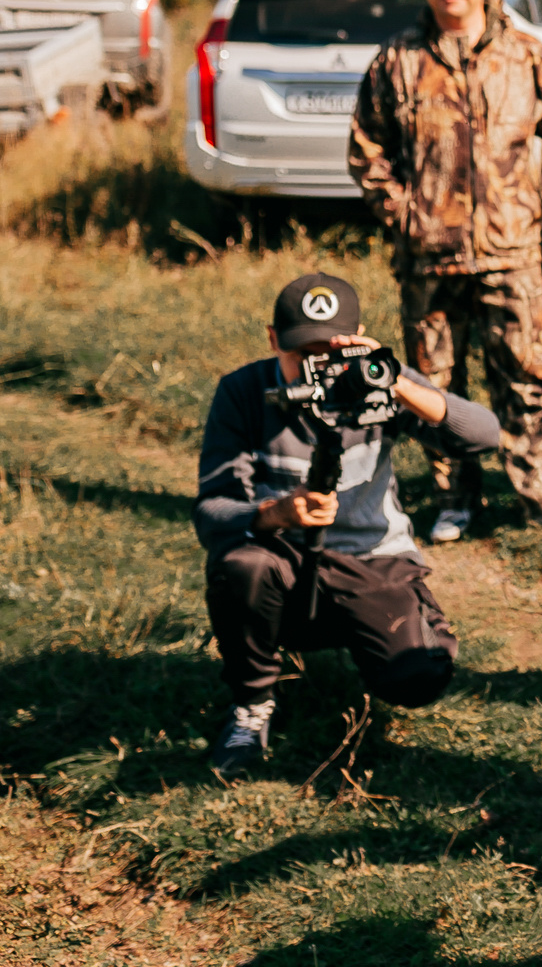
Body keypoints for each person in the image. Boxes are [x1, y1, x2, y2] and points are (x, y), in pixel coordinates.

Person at [195, 272, 499, 776]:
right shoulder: (245, 392)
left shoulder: (375, 382)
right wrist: (274, 515)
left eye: (329, 354)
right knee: (241, 563)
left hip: (372, 558)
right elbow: (211, 514)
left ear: (358, 340)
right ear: (273, 339)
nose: (316, 371)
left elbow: (484, 436)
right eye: (301, 356)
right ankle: (252, 703)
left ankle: (386, 633)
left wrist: (392, 377)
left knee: (418, 678)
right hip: (284, 558)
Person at [349, 0, 542, 539]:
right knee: (434, 387)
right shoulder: (397, 61)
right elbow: (367, 151)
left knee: (528, 376)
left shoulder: (529, 57)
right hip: (427, 259)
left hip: (511, 251)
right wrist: (404, 212)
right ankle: (456, 499)